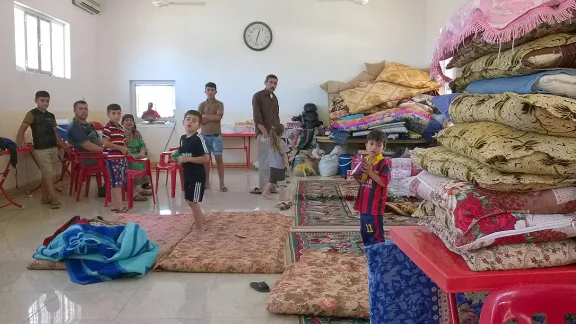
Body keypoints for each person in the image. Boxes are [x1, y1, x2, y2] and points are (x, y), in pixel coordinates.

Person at [16, 91, 69, 209]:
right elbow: (22, 128)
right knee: (48, 173)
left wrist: (62, 145)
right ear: (36, 101)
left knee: (47, 174)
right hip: (41, 149)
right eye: (42, 100)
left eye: (47, 101)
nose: (45, 103)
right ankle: (54, 199)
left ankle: (45, 198)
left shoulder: (51, 116)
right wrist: (20, 141)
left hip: (53, 147)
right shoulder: (31, 114)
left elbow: (55, 132)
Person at [353, 130, 391, 246]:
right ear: (366, 145)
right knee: (365, 230)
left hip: (374, 206)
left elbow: (384, 182)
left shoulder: (383, 164)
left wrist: (370, 172)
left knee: (373, 232)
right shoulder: (365, 160)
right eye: (371, 143)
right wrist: (358, 176)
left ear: (383, 148)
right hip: (364, 204)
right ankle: (369, 249)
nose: (374, 147)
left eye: (378, 145)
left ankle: (378, 252)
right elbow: (361, 179)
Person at [177, 110, 209, 232]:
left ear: (199, 126)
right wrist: (177, 157)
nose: (190, 122)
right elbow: (181, 153)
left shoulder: (199, 139)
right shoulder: (182, 138)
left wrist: (187, 159)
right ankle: (202, 219)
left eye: (194, 120)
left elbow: (206, 158)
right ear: (183, 122)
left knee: (193, 201)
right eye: (188, 119)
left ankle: (200, 228)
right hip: (187, 174)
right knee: (189, 201)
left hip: (197, 176)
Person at [251, 74, 280, 195]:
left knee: (273, 161)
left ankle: (272, 187)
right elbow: (257, 117)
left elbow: (276, 116)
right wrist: (264, 132)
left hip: (274, 133)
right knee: (263, 162)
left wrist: (278, 131)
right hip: (264, 133)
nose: (273, 85)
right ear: (265, 83)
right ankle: (264, 188)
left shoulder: (274, 98)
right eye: (271, 82)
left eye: (275, 83)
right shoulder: (257, 96)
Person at [197, 82, 227, 192]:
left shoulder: (220, 104)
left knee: (219, 159)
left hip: (216, 136)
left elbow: (218, 118)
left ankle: (222, 183)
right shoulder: (201, 105)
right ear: (205, 91)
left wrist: (205, 116)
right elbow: (199, 120)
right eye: (208, 90)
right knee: (206, 160)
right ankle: (206, 183)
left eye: (212, 90)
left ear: (215, 91)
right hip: (204, 136)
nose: (210, 92)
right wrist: (210, 117)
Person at [102, 104, 129, 213]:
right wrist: (120, 148)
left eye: (118, 113)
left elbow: (124, 143)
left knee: (117, 183)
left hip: (121, 159)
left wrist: (125, 150)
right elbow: (105, 143)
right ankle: (120, 206)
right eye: (113, 113)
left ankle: (114, 205)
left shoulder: (120, 128)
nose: (116, 116)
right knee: (117, 184)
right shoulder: (108, 127)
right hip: (112, 160)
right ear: (108, 114)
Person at [122, 114, 154, 195]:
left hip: (138, 154)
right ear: (122, 122)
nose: (129, 122)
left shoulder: (136, 133)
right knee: (135, 162)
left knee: (144, 160)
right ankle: (135, 187)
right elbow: (123, 147)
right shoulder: (121, 133)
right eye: (126, 120)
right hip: (128, 155)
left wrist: (142, 152)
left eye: (131, 120)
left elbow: (142, 144)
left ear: (133, 123)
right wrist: (133, 156)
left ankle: (143, 184)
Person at [67, 100, 104, 167]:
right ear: (74, 111)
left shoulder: (89, 125)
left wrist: (112, 145)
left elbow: (100, 141)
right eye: (80, 109)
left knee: (119, 154)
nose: (84, 111)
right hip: (86, 158)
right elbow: (88, 146)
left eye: (85, 108)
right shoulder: (75, 127)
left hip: (96, 155)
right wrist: (106, 151)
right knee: (116, 159)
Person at [262, 125, 290, 202]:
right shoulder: (281, 142)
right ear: (282, 133)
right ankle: (282, 197)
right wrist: (287, 166)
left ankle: (265, 192)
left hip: (272, 165)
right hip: (280, 166)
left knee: (271, 180)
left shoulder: (269, 141)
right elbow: (285, 156)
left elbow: (263, 139)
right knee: (281, 183)